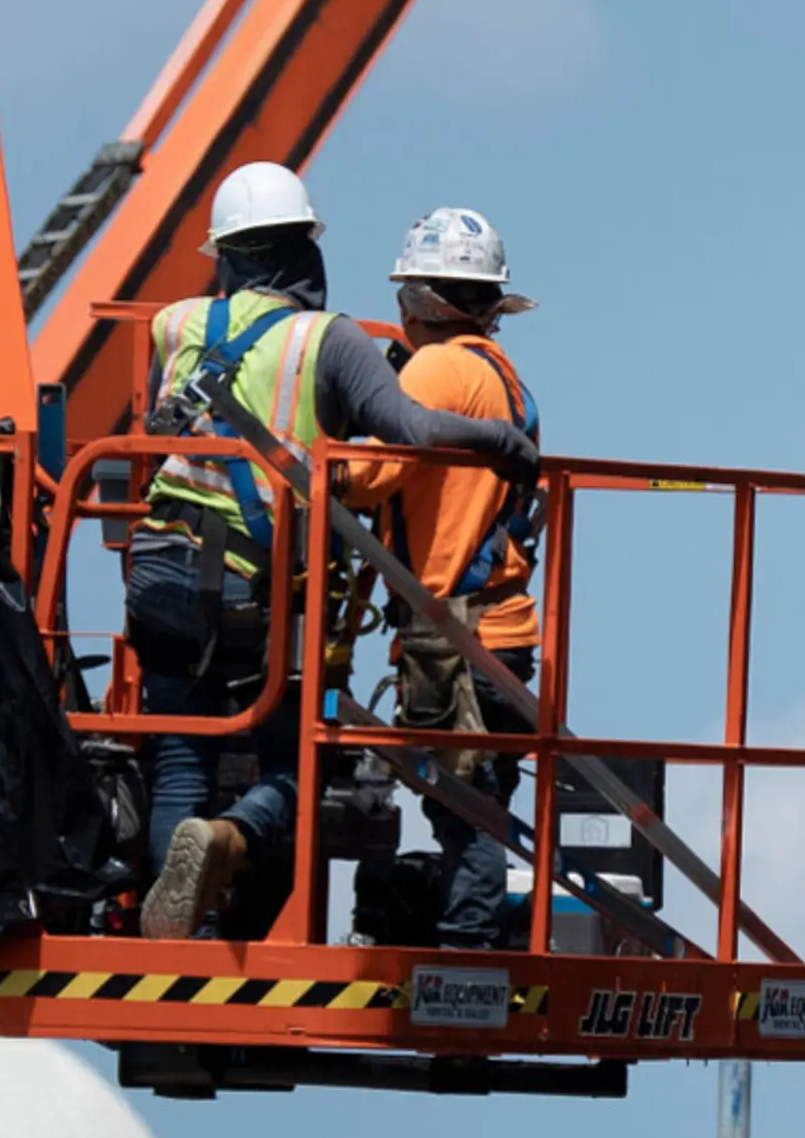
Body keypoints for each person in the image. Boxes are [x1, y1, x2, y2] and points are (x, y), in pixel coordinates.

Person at [128, 164, 539, 941]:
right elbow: (403, 440)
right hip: (263, 588)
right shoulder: (335, 340)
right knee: (299, 760)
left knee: (179, 760)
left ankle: (176, 944)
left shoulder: (171, 324)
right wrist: (498, 444)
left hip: (162, 568)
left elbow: (153, 431)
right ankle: (232, 837)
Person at [343, 206, 543, 947]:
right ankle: (471, 942)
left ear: (418, 302)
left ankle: (467, 955)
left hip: (457, 636)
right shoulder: (502, 376)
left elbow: (363, 477)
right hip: (507, 631)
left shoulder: (434, 369)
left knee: (463, 810)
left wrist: (312, 453)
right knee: (478, 804)